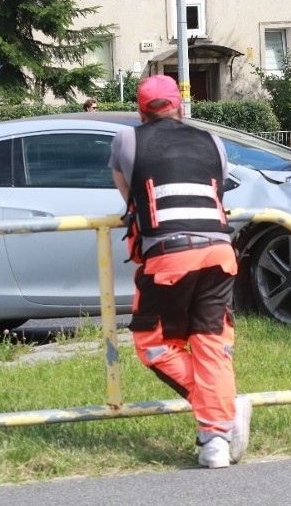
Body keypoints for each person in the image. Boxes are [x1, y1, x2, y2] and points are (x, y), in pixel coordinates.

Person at [109, 74, 251, 468]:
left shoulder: (127, 140)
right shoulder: (213, 141)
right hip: (220, 252)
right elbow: (217, 189)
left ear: (140, 111)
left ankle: (220, 413)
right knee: (210, 342)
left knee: (153, 343)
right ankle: (216, 441)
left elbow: (129, 197)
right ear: (181, 107)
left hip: (169, 256)